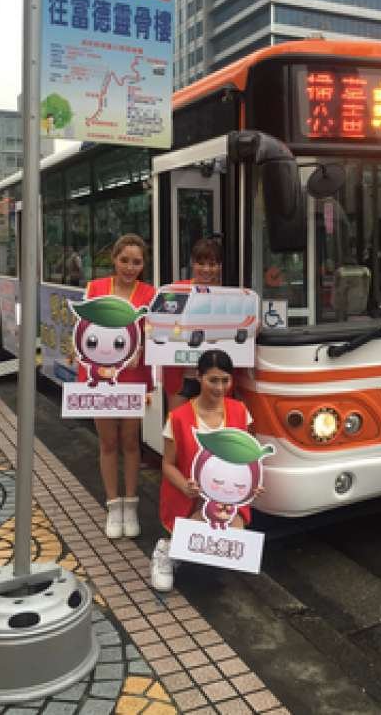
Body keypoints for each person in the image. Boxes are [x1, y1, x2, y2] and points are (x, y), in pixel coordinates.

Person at [151, 349, 259, 592]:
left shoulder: (240, 411)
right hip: (190, 496)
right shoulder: (178, 418)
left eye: (225, 380)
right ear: (199, 377)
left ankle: (188, 549)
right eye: (213, 380)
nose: (220, 388)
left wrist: (252, 485)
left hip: (225, 496)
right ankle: (167, 551)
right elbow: (167, 464)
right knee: (196, 541)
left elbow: (249, 460)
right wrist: (185, 486)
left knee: (230, 540)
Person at [77, 233, 155, 540]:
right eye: (124, 260)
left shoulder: (150, 294)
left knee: (131, 441)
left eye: (136, 262)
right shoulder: (95, 289)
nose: (130, 267)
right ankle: (113, 505)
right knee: (108, 442)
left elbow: (156, 332)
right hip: (100, 377)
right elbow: (83, 332)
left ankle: (131, 505)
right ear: (114, 259)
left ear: (143, 264)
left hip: (134, 376)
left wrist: (141, 347)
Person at [162, 236, 223, 412]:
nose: (206, 269)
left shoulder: (228, 296)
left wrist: (253, 327)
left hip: (214, 376)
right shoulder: (176, 290)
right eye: (201, 263)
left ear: (219, 266)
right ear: (192, 264)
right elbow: (160, 324)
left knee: (211, 426)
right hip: (181, 376)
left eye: (212, 264)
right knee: (177, 425)